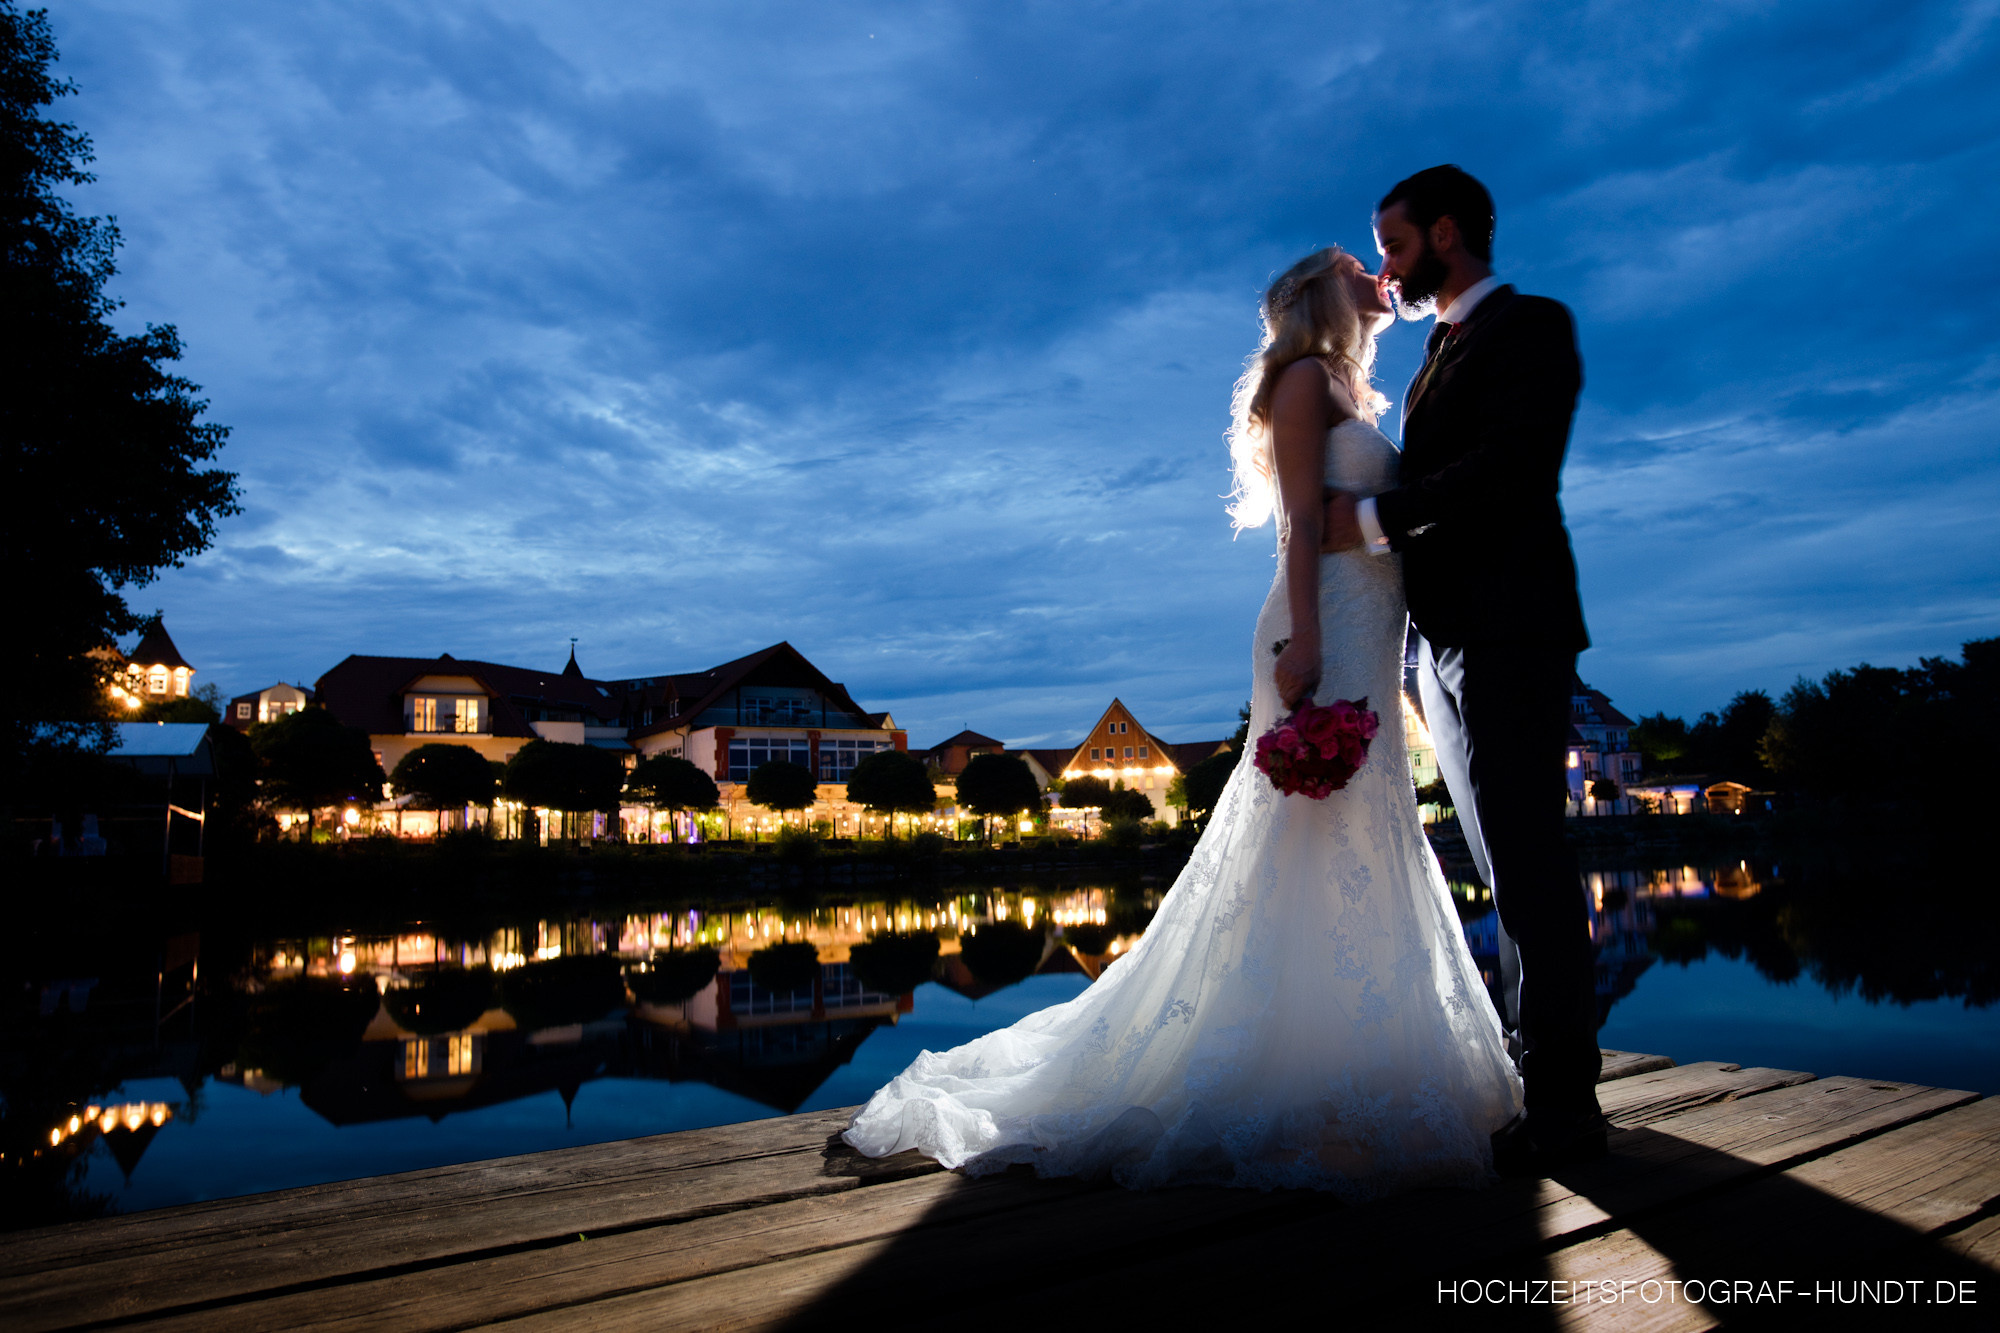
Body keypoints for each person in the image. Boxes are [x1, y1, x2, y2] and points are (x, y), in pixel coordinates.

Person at [840, 243, 1522, 1198]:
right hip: (1321, 628)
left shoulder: (1353, 388)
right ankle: (1277, 1063)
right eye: (1348, 262)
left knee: (1363, 830)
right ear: (1316, 295)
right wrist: (1306, 647)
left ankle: (1341, 1055)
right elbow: (1297, 526)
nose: (1371, 271)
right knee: (1301, 829)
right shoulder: (1302, 381)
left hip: (1370, 632)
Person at [1321, 165, 1605, 1174]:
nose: (1387, 269)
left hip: (1508, 624)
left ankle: (1565, 1105)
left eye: (1393, 246)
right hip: (1441, 637)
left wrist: (1363, 519)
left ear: (1445, 233)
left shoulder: (1529, 326)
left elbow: (1512, 468)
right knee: (1499, 860)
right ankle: (1545, 1084)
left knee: (1525, 856)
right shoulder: (1439, 347)